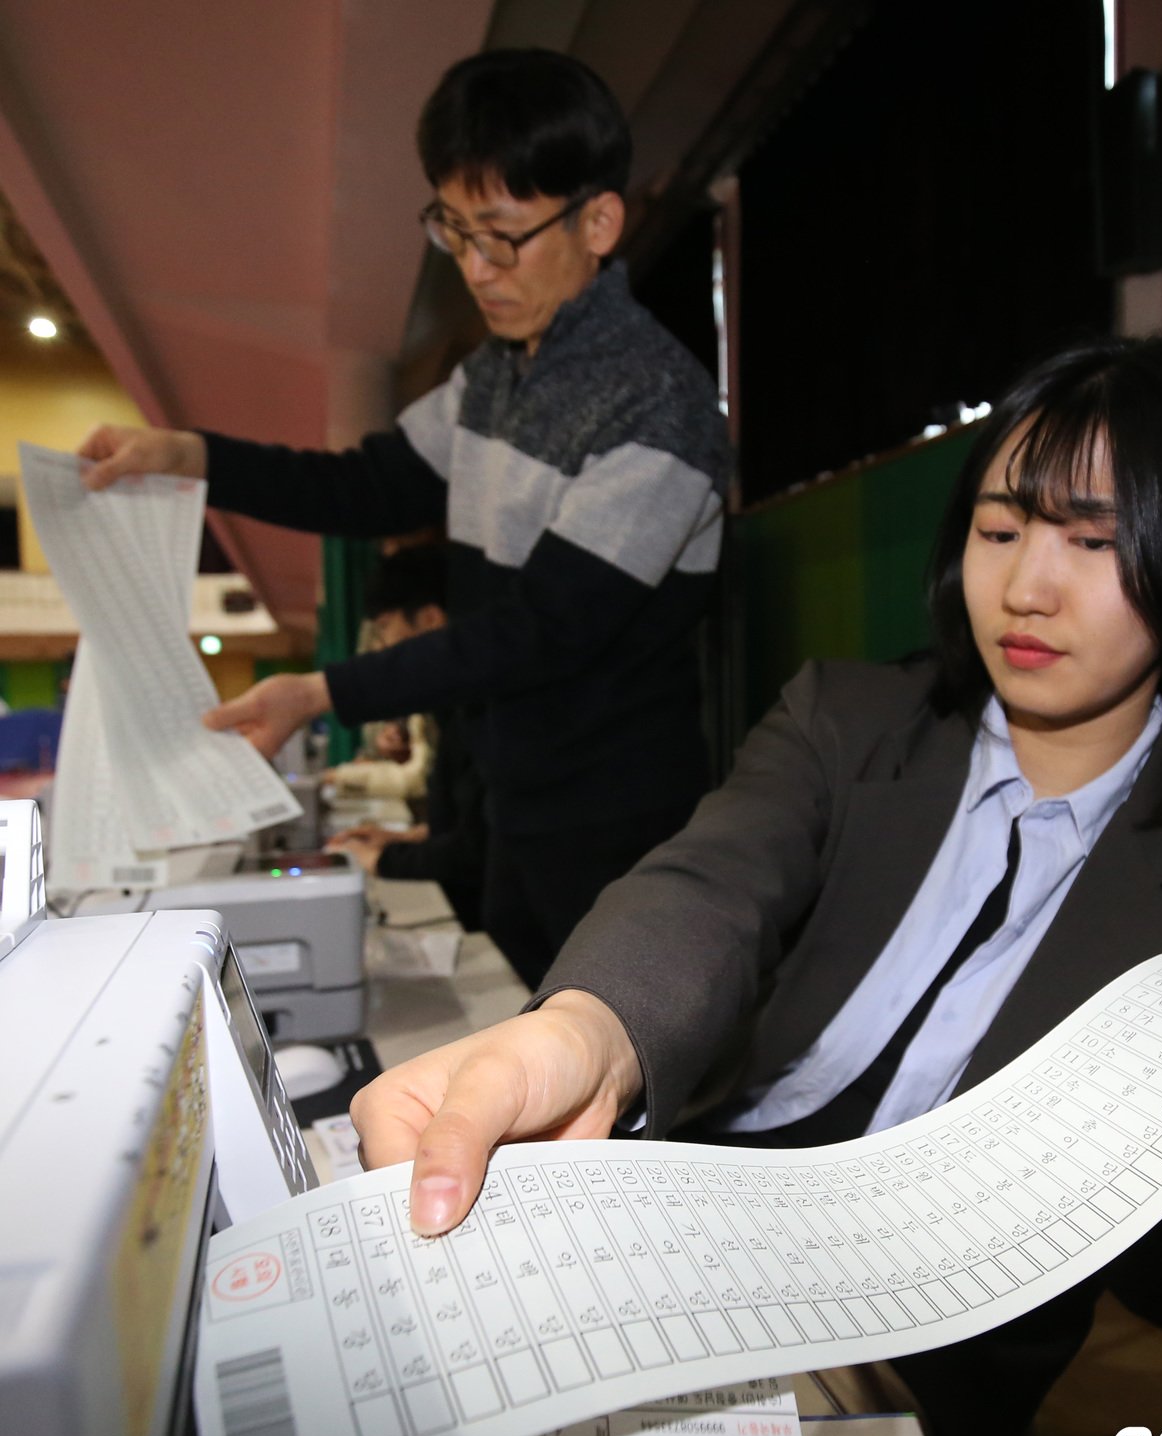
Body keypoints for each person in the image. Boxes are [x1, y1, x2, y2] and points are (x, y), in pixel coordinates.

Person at [350, 335, 1162, 1436]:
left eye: (1094, 542)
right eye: (1000, 527)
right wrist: (586, 1032)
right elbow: (708, 885)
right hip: (703, 1211)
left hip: (925, 1360)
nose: (1025, 587)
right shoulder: (846, 718)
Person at [77, 48, 730, 987]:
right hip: (514, 800)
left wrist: (321, 692)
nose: (475, 268)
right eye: (454, 232)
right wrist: (196, 458)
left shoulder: (659, 406)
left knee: (606, 1092)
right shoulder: (498, 375)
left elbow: (545, 629)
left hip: (613, 823)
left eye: (501, 237)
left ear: (598, 221)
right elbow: (368, 485)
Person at [325, 544, 486, 931]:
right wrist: (407, 839)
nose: (381, 650)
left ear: (430, 619)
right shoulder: (457, 709)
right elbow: (471, 824)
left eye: (384, 629)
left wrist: (382, 859)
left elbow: (481, 849)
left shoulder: (484, 714)